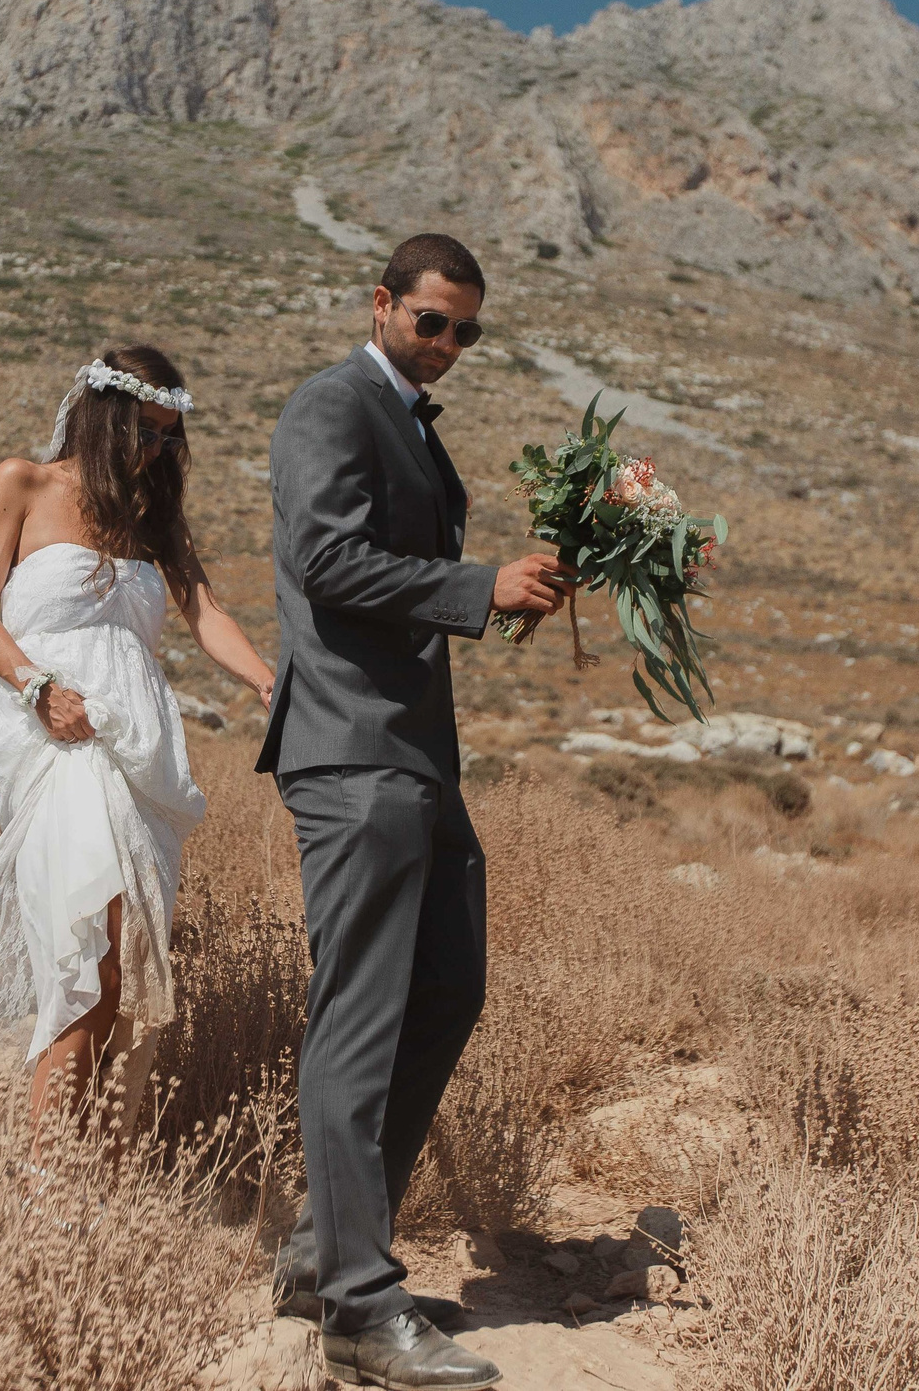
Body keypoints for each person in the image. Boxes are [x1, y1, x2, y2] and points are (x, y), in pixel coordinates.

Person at [258, 234, 567, 1390]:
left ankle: (319, 1254)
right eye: (431, 322)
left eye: (465, 333)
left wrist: (507, 590)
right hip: (349, 753)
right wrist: (471, 587)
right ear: (382, 303)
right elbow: (325, 559)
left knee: (447, 988)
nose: (446, 347)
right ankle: (357, 1307)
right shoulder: (329, 407)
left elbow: (405, 581)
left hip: (418, 760)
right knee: (359, 1019)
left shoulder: (414, 426)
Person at [0, 345, 275, 1162]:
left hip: (138, 747)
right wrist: (37, 686)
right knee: (86, 953)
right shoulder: (23, 483)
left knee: (122, 973)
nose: (155, 450)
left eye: (169, 437)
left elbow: (206, 612)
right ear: (105, 414)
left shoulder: (154, 519)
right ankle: (50, 1188)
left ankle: (98, 1163)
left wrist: (266, 679)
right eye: (146, 431)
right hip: (53, 738)